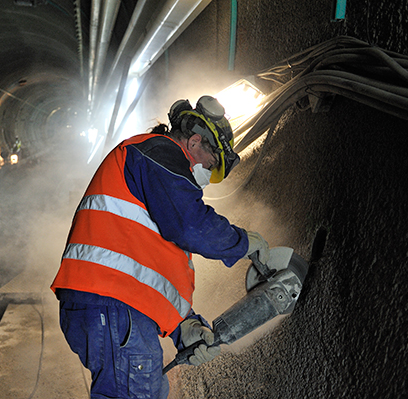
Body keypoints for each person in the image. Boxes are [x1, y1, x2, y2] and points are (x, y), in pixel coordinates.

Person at [50, 95, 271, 398]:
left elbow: (150, 265)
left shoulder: (150, 171)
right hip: (113, 304)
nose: (206, 175)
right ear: (194, 143)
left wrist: (185, 325)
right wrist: (242, 242)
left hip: (112, 305)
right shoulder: (159, 153)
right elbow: (191, 225)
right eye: (211, 164)